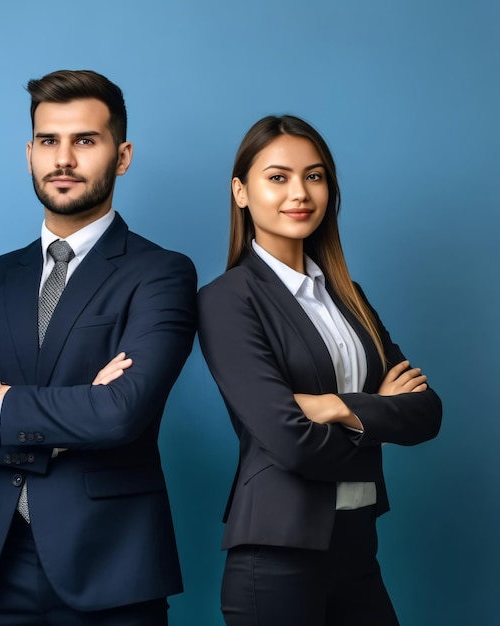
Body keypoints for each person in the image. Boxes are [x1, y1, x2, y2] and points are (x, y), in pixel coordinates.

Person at [0, 69, 197, 625]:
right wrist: (70, 424)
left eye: (85, 141)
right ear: (29, 153)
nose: (64, 159)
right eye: (49, 141)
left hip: (112, 569)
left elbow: (120, 415)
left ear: (122, 156)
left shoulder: (161, 273)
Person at [198, 115, 442, 626]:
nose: (300, 193)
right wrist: (377, 415)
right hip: (278, 553)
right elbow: (288, 441)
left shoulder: (348, 297)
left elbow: (426, 412)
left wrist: (336, 407)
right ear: (241, 192)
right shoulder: (227, 300)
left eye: (314, 176)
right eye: (278, 176)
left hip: (356, 547)